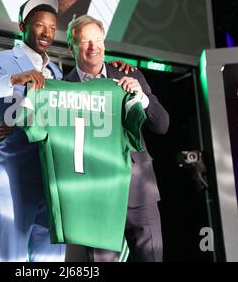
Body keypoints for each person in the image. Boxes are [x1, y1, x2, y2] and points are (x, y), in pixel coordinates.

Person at [0, 0, 132, 262]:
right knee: (11, 259)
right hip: (13, 176)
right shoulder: (1, 61)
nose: (46, 33)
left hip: (52, 181)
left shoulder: (57, 74)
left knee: (50, 261)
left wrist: (116, 71)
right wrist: (12, 79)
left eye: (51, 27)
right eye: (39, 25)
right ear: (23, 26)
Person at [64, 15, 169, 262]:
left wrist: (141, 97)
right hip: (94, 196)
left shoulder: (130, 76)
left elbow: (162, 125)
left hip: (140, 189)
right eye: (86, 41)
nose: (94, 47)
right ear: (71, 47)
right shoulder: (62, 87)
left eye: (98, 40)